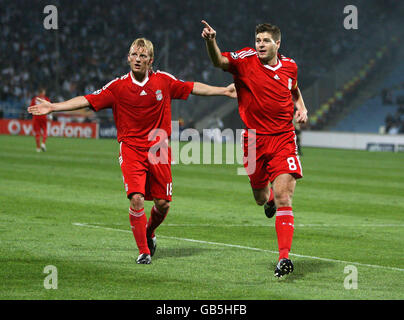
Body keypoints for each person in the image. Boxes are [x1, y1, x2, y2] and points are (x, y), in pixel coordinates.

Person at [28, 37, 236, 264]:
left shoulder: (163, 81)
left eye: (143, 56)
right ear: (128, 58)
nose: (137, 60)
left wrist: (223, 91)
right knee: (136, 198)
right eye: (134, 55)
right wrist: (53, 107)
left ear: (150, 60)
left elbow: (192, 87)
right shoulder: (117, 87)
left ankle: (149, 231)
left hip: (159, 148)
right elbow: (87, 100)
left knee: (163, 203)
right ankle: (144, 251)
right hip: (131, 148)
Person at [201, 21, 308, 277]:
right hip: (252, 140)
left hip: (283, 138)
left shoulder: (290, 66)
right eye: (258, 40)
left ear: (277, 44)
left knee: (285, 196)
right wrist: (210, 41)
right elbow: (219, 62)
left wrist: (301, 107)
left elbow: (293, 89)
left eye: (265, 41)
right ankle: (268, 199)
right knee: (261, 197)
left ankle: (284, 258)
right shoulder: (245, 59)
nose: (260, 44)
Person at [30, 88, 50, 152]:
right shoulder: (46, 99)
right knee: (45, 130)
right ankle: (43, 143)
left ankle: (38, 148)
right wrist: (50, 116)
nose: (44, 93)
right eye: (44, 92)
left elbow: (31, 108)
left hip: (36, 117)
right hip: (43, 116)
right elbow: (50, 107)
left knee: (37, 132)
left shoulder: (34, 99)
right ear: (41, 93)